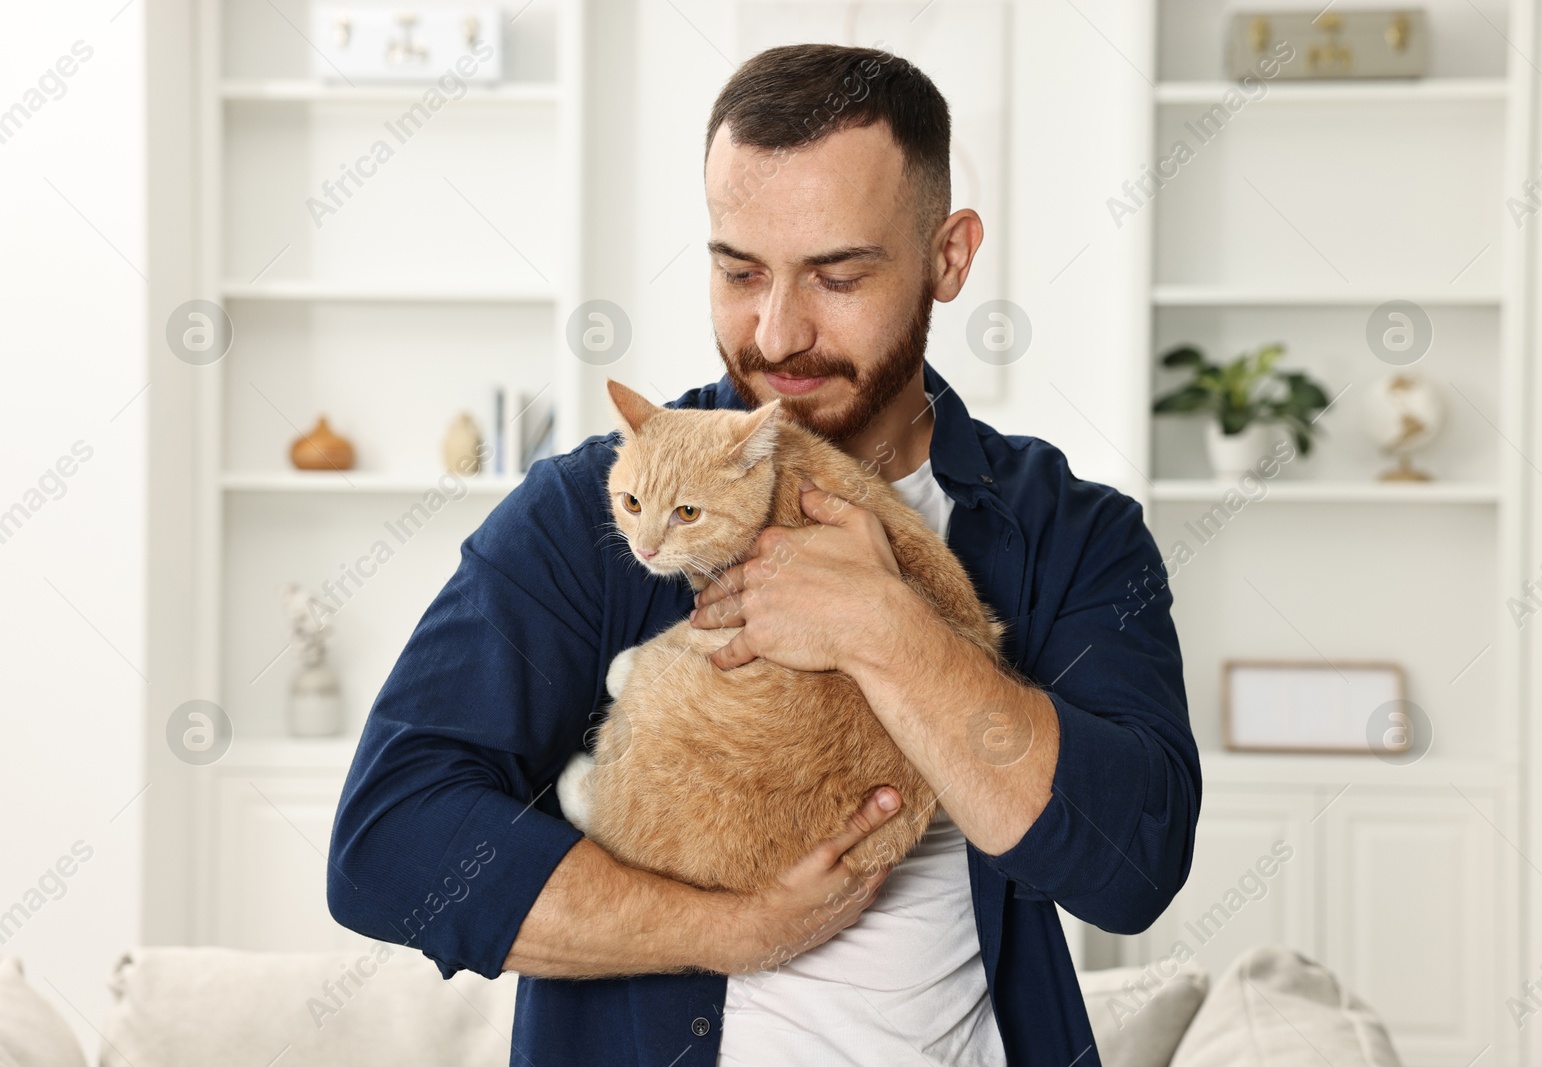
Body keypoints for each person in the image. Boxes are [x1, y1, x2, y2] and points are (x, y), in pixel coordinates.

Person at [328, 43, 1199, 1067]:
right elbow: (389, 842)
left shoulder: (1071, 532)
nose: (777, 332)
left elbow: (1131, 863)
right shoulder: (594, 507)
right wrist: (732, 929)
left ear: (949, 257)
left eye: (837, 275)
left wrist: (887, 627)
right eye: (739, 271)